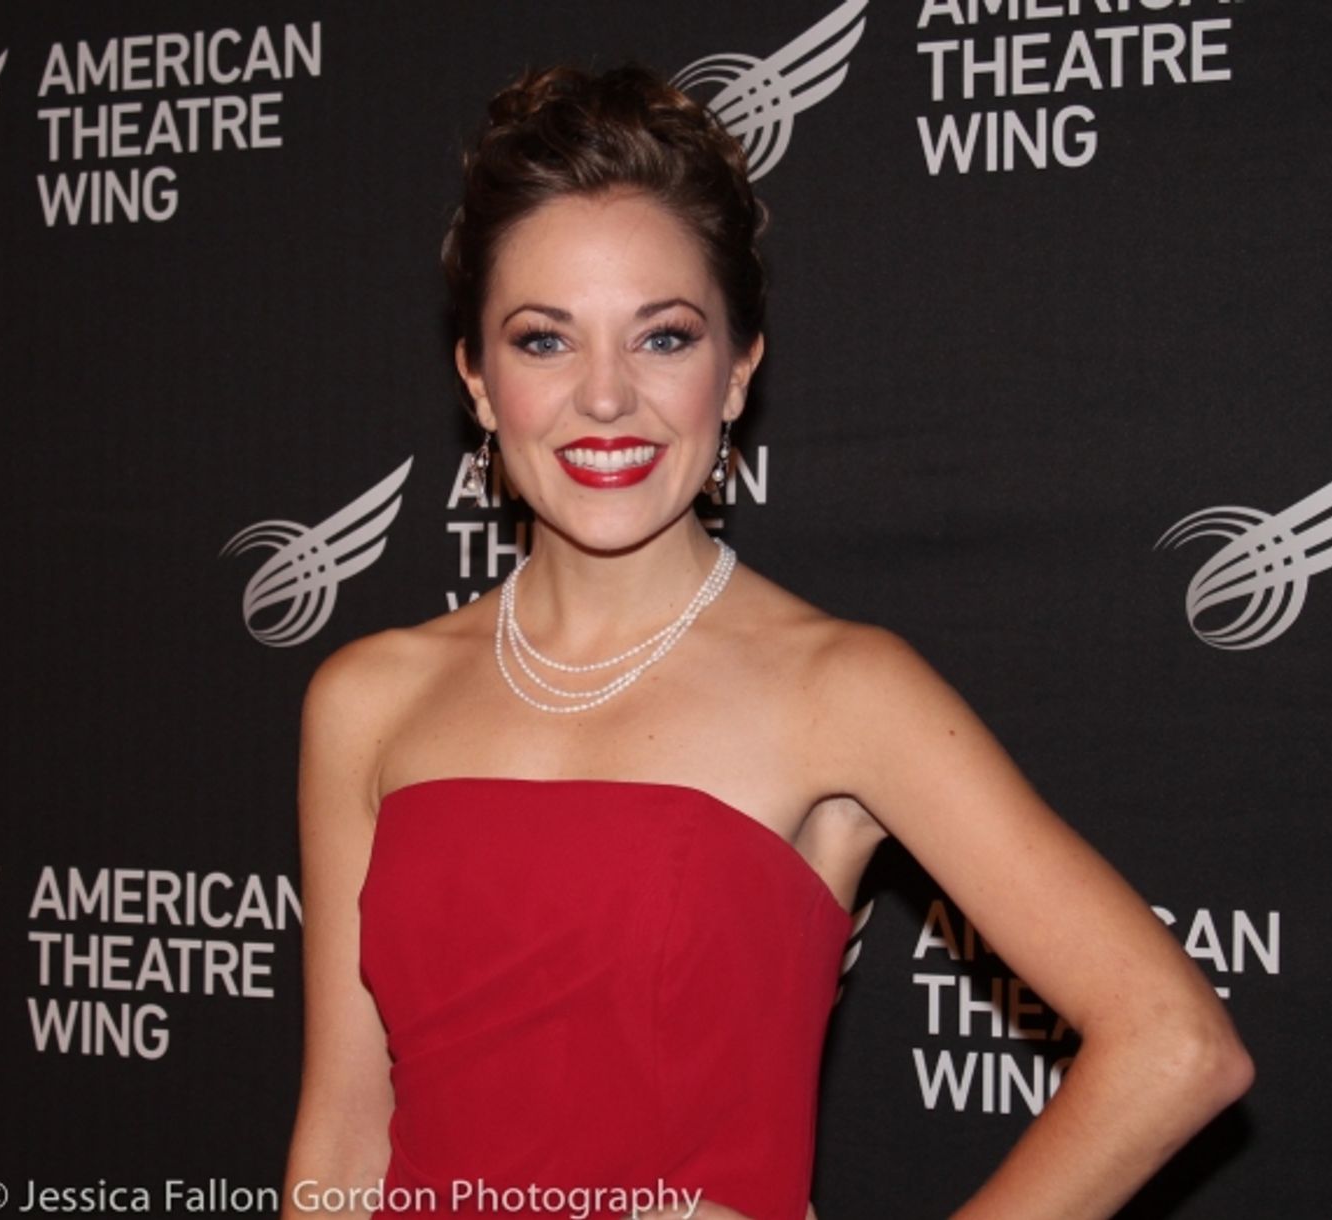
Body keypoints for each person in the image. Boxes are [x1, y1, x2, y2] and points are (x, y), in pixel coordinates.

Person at [280, 64, 1252, 1220]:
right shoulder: (367, 698)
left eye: (663, 337)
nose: (604, 397)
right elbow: (344, 1136)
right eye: (543, 341)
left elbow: (1174, 1045)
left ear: (737, 370)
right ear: (477, 382)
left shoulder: (840, 686)